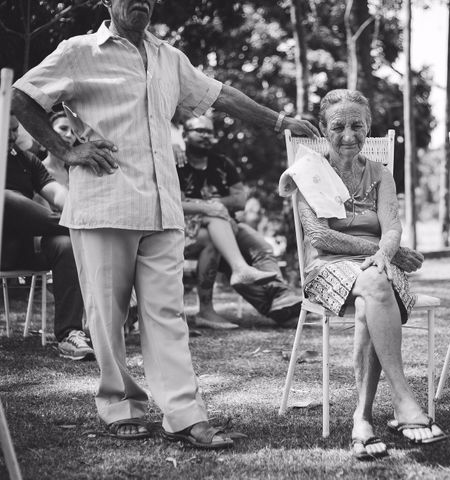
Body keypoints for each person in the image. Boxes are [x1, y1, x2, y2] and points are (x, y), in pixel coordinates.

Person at [11, 0, 318, 449]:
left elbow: (220, 95)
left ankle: (184, 415)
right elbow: (21, 96)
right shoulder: (79, 51)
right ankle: (121, 406)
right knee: (107, 317)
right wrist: (66, 151)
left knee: (167, 316)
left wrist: (279, 121)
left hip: (164, 210)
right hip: (105, 205)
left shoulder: (169, 58)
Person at [289, 89, 447, 460]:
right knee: (377, 282)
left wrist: (386, 251)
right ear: (324, 130)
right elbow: (320, 236)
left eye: (357, 125)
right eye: (338, 126)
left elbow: (392, 227)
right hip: (326, 269)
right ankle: (405, 401)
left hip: (379, 269)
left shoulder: (380, 174)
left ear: (369, 128)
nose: (348, 135)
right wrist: (377, 252)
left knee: (372, 293)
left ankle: (362, 419)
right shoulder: (306, 171)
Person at [179, 115, 301, 329]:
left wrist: (211, 204)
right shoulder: (177, 163)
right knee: (219, 246)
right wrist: (210, 208)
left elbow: (240, 200)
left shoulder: (222, 163)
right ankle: (210, 308)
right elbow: (176, 202)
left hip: (229, 226)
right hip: (189, 231)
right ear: (184, 135)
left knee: (261, 247)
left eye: (209, 131)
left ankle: (280, 300)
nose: (206, 136)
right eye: (199, 130)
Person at [4, 114, 93, 361]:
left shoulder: (25, 160)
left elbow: (56, 193)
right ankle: (80, 226)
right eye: (6, 130)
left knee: (65, 244)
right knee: (6, 198)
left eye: (14, 130)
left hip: (23, 249)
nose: (11, 136)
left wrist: (77, 207)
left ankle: (69, 335)